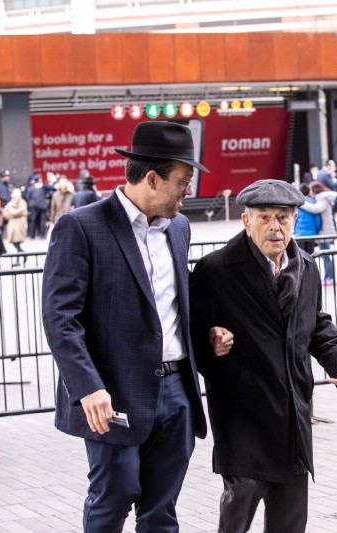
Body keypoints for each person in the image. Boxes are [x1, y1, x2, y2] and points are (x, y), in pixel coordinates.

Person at [41, 121, 208, 532]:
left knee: (161, 509)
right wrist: (87, 387)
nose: (189, 191)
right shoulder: (81, 226)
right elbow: (60, 317)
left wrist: (211, 334)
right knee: (114, 496)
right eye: (183, 182)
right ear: (152, 179)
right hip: (112, 392)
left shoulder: (179, 228)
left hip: (177, 390)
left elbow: (176, 301)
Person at [189, 179, 337, 533]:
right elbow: (190, 334)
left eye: (282, 217)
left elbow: (315, 322)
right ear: (246, 221)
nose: (274, 226)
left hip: (292, 413)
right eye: (263, 217)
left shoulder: (306, 266)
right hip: (243, 412)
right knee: (239, 507)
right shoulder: (216, 269)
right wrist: (209, 340)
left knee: (290, 519)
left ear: (295, 220)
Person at [306, 181, 337, 285]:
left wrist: (302, 203)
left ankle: (330, 277)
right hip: (326, 230)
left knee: (325, 256)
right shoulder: (323, 197)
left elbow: (315, 209)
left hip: (325, 231)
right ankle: (328, 276)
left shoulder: (322, 199)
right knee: (325, 255)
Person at [317, 159, 337, 233]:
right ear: (329, 166)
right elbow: (332, 185)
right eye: (332, 166)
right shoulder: (327, 174)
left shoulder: (335, 174)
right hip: (330, 199)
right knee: (331, 217)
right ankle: (334, 233)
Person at [292, 183, 320, 255]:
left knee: (301, 256)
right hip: (311, 234)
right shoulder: (313, 202)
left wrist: (294, 231)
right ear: (309, 191)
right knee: (310, 256)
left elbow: (294, 219)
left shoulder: (297, 204)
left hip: (299, 234)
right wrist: (316, 230)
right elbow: (317, 220)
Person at [3, 188, 28, 264]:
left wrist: (12, 211)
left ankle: (20, 258)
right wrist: (12, 212)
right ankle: (23, 255)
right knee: (15, 243)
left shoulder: (22, 202)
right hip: (12, 226)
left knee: (17, 243)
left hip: (19, 225)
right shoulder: (10, 203)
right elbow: (5, 213)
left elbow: (19, 212)